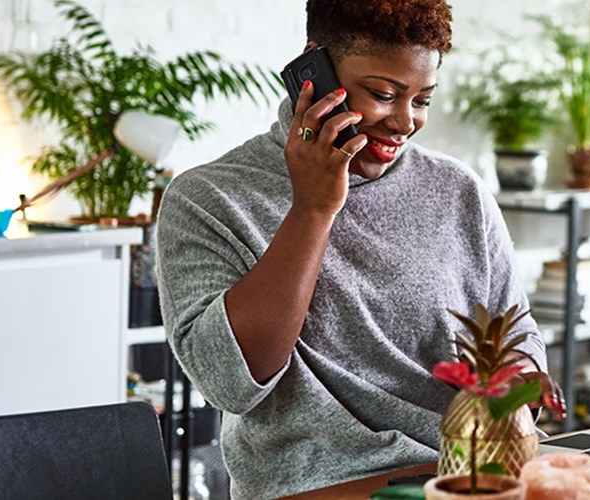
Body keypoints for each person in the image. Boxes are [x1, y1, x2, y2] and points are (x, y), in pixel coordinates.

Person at [155, 1, 563, 497]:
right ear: (315, 72)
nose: (405, 122)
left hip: (469, 475)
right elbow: (231, 383)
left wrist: (516, 393)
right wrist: (313, 208)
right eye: (384, 94)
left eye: (422, 100)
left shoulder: (456, 189)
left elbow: (512, 324)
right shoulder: (211, 198)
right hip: (325, 486)